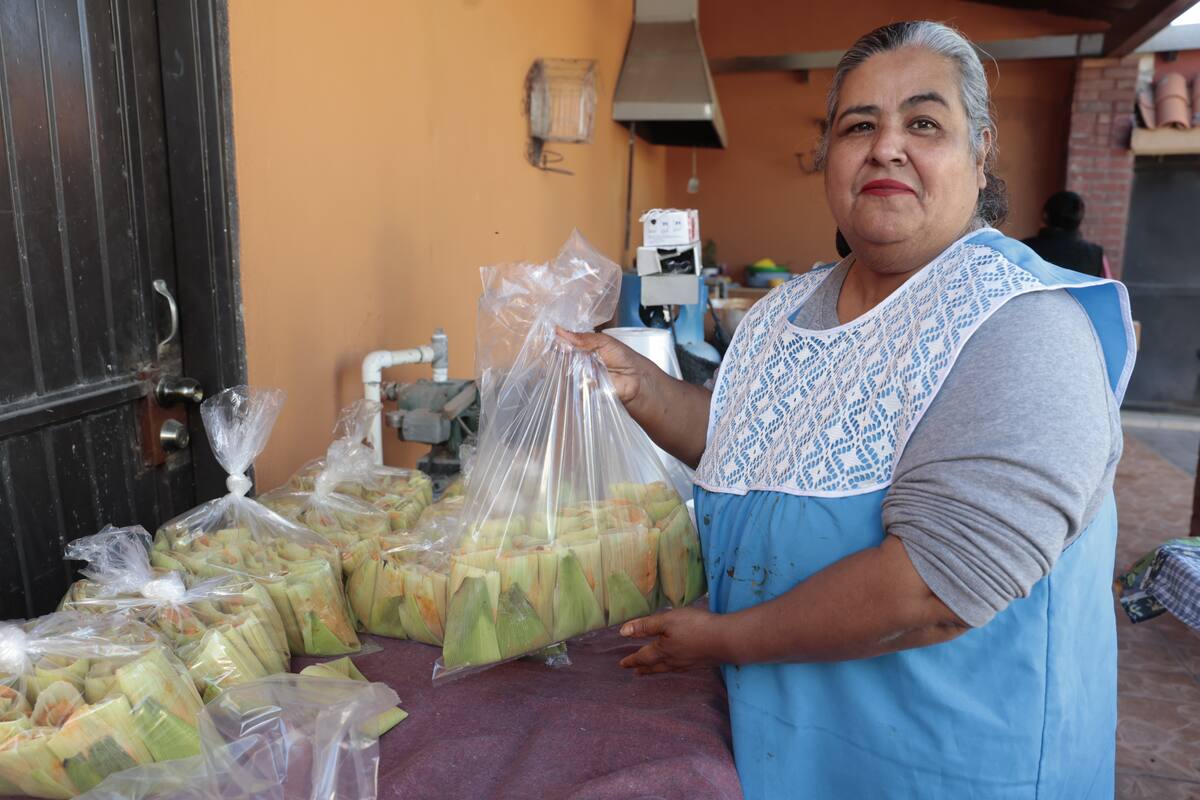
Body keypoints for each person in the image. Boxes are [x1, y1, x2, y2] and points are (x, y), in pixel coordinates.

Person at [560, 20, 1133, 800]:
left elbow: (936, 589)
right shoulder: (785, 311)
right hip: (787, 751)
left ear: (980, 151)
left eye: (924, 124)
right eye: (858, 124)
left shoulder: (1022, 324)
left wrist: (725, 640)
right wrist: (640, 387)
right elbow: (745, 448)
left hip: (948, 768)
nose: (886, 147)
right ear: (829, 156)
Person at [1022, 190, 1107, 277]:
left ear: (1045, 215)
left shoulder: (1023, 248)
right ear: (1080, 219)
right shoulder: (1096, 254)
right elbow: (1109, 288)